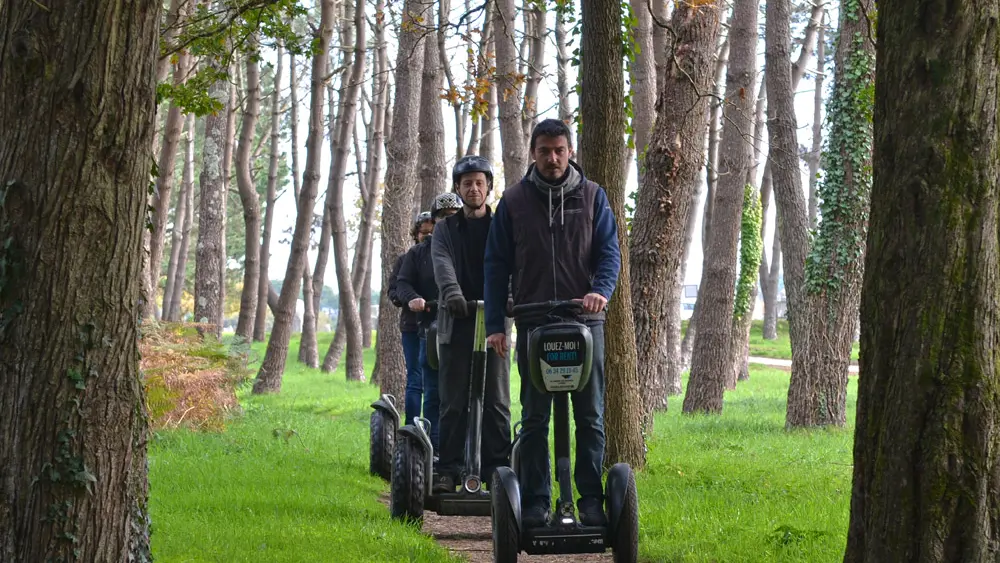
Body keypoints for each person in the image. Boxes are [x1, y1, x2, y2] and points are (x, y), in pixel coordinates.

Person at [483, 119, 622, 528]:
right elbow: (495, 266)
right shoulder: (513, 202)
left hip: (585, 318)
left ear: (570, 151)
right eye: (544, 150)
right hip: (533, 319)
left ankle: (592, 500)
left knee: (591, 415)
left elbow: (609, 253)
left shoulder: (593, 196)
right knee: (534, 418)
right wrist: (495, 324)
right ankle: (537, 501)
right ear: (533, 152)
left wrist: (601, 291)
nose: (553, 157)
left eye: (560, 150)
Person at [431, 155, 512, 494]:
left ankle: (497, 469)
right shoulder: (445, 229)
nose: (474, 188)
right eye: (467, 183)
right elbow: (442, 262)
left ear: (489, 187)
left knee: (496, 399)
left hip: (493, 322)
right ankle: (448, 468)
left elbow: (514, 262)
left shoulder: (502, 225)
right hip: (458, 319)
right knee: (453, 399)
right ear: (458, 189)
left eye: (480, 183)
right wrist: (452, 294)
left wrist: (509, 296)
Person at [395, 194, 462, 451]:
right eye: (443, 217)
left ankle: (467, 449)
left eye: (454, 216)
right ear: (436, 222)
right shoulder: (419, 253)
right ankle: (432, 448)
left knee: (466, 390)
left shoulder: (478, 245)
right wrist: (412, 298)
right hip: (430, 328)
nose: (449, 221)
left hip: (465, 328)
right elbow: (402, 282)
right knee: (430, 388)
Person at [388, 211, 434, 425]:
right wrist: (408, 300)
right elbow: (394, 290)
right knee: (416, 379)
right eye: (424, 233)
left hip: (437, 325)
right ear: (416, 234)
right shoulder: (405, 260)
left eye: (432, 231)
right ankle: (412, 427)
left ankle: (434, 429)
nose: (428, 236)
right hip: (412, 325)